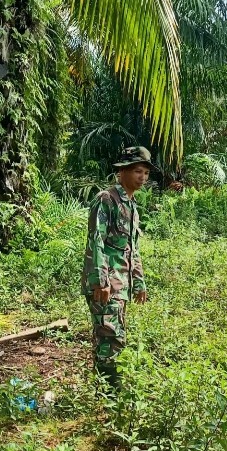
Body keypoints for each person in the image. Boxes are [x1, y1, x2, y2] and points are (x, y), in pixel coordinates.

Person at [81, 146, 157, 388]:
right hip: (106, 284)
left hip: (121, 284)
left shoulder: (132, 206)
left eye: (146, 173)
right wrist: (100, 282)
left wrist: (139, 282)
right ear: (122, 171)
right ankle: (110, 395)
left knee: (111, 336)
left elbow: (132, 249)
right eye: (137, 171)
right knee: (111, 337)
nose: (142, 177)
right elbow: (96, 241)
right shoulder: (107, 199)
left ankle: (106, 393)